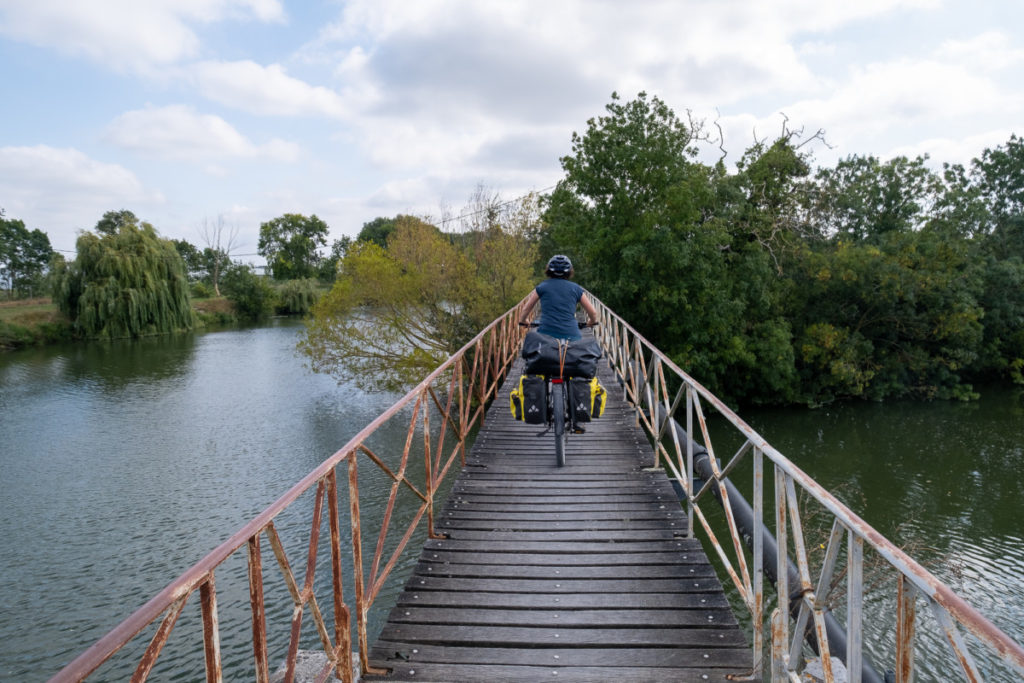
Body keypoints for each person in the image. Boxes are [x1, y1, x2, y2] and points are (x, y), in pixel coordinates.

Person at [519, 254, 598, 340]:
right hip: (571, 334)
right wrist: (592, 322)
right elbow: (593, 312)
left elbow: (526, 309)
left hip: (545, 334)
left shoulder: (542, 287)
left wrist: (524, 320)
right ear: (569, 271)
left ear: (548, 270)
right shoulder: (576, 288)